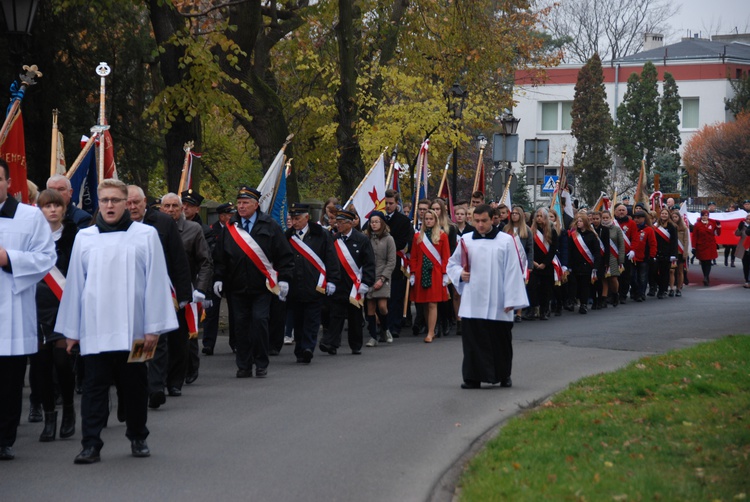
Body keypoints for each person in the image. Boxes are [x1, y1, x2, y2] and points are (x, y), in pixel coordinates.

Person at [56, 179, 178, 464]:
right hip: (95, 330)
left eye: (115, 200)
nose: (109, 205)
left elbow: (157, 282)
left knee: (134, 386)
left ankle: (138, 436)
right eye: (105, 200)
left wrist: (153, 327)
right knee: (94, 389)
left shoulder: (145, 235)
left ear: (127, 204)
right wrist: (71, 332)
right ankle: (91, 444)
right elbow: (75, 285)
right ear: (99, 204)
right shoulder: (85, 238)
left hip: (135, 330)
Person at [0, 160, 56, 460]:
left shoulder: (29, 217)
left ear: (9, 183)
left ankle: (4, 439)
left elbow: (46, 257)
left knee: (8, 382)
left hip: (11, 311)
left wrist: (9, 258)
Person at [213, 186, 294, 377]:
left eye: (245, 203)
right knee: (240, 326)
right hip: (237, 287)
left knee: (259, 322)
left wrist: (284, 280)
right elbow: (220, 257)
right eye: (239, 203)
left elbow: (284, 255)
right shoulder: (230, 227)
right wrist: (218, 278)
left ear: (256, 205)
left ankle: (261, 362)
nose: (241, 207)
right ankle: (244, 365)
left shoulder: (270, 225)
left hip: (262, 287)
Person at [446, 204, 528, 389]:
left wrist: (512, 300)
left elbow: (513, 271)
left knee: (500, 341)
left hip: (498, 300)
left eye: (484, 220)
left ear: (493, 219)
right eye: (476, 221)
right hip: (473, 300)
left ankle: (503, 375)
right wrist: (460, 273)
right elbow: (452, 264)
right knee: (472, 341)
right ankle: (472, 377)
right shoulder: (466, 240)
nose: (480, 225)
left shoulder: (506, 241)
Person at [126, 185, 192, 410]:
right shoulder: (115, 225)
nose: (133, 207)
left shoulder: (163, 223)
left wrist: (184, 295)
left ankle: (155, 387)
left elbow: (178, 258)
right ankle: (139, 384)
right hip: (129, 293)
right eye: (129, 202)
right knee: (137, 340)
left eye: (137, 202)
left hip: (160, 289)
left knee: (159, 340)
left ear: (145, 202)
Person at [31, 189, 79, 442]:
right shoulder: (31, 238)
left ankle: (69, 410)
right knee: (40, 366)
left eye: (56, 206)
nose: (52, 210)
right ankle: (49, 417)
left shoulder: (74, 236)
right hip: (36, 306)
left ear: (63, 209)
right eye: (46, 206)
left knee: (62, 362)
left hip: (64, 305)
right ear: (39, 210)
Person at [160, 193, 213, 392]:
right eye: (167, 206)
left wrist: (201, 288)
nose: (171, 209)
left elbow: (205, 262)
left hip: (183, 291)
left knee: (181, 338)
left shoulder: (193, 229)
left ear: (181, 209)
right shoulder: (151, 229)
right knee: (159, 337)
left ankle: (175, 381)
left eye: (175, 206)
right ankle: (159, 379)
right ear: (161, 208)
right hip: (159, 290)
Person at [284, 203, 340, 363]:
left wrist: (333, 280)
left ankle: (308, 347)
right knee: (298, 319)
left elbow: (331, 258)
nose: (294, 222)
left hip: (315, 285)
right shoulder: (287, 236)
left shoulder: (321, 235)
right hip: (295, 286)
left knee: (312, 319)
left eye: (297, 219)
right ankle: (300, 348)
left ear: (306, 218)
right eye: (292, 219)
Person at [319, 209, 375, 355]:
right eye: (337, 222)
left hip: (354, 285)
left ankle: (355, 345)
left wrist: (366, 282)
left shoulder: (361, 240)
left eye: (341, 222)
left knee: (355, 316)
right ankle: (331, 343)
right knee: (335, 314)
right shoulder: (334, 239)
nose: (338, 225)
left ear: (350, 224)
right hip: (338, 282)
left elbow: (369, 263)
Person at [409, 209, 450, 343]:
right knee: (425, 304)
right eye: (426, 219)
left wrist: (445, 274)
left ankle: (431, 332)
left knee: (433, 303)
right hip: (421, 273)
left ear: (435, 220)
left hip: (436, 273)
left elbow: (446, 257)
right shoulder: (417, 237)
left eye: (431, 219)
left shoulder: (442, 236)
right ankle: (429, 328)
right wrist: (413, 273)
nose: (428, 221)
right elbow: (414, 257)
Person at [202, 202, 237, 355]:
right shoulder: (211, 231)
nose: (232, 217)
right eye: (229, 214)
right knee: (212, 312)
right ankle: (209, 343)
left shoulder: (238, 230)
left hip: (233, 276)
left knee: (235, 312)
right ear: (222, 216)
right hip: (215, 275)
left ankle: (235, 343)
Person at [381, 190, 414, 338]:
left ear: (397, 204)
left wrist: (387, 245)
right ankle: (383, 325)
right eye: (386, 203)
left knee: (395, 295)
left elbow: (403, 242)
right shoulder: (378, 219)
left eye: (391, 203)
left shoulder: (403, 221)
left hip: (395, 261)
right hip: (380, 262)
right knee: (382, 296)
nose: (388, 206)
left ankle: (395, 325)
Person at [364, 211, 396, 347]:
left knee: (382, 306)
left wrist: (382, 279)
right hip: (369, 275)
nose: (374, 224)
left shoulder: (389, 239)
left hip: (383, 276)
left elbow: (391, 261)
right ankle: (372, 336)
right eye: (372, 222)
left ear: (382, 223)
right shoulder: (366, 238)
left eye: (377, 221)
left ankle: (385, 328)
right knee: (370, 306)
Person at [431, 198, 457, 336]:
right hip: (432, 266)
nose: (435, 212)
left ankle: (446, 320)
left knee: (446, 296)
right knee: (434, 296)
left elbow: (453, 249)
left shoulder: (451, 228)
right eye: (433, 209)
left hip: (446, 265)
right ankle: (435, 323)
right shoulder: (427, 227)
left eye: (437, 209)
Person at [568, 213, 601, 314]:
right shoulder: (573, 235)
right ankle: (572, 301)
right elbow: (569, 250)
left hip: (586, 265)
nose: (578, 223)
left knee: (584, 285)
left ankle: (584, 304)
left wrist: (595, 266)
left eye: (581, 221)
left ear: (585, 222)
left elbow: (596, 252)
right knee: (573, 284)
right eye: (577, 221)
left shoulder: (592, 235)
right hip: (574, 264)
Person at [529, 208, 557, 320]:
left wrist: (545, 263)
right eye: (537, 216)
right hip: (534, 264)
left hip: (547, 265)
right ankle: (534, 309)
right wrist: (534, 263)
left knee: (545, 289)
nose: (539, 218)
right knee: (532, 287)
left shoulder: (552, 231)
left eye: (541, 216)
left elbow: (553, 249)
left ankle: (544, 310)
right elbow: (529, 248)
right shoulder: (531, 231)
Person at [506, 206, 533, 320]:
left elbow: (530, 248)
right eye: (513, 213)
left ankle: (519, 313)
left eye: (517, 213)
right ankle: (510, 310)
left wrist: (530, 265)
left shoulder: (526, 230)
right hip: (509, 262)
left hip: (521, 262)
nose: (514, 215)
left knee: (520, 286)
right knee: (509, 286)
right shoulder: (506, 229)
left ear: (521, 215)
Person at [631, 206, 657, 301]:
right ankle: (635, 291)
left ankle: (641, 293)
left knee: (642, 277)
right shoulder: (632, 228)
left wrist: (651, 256)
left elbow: (653, 244)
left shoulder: (649, 230)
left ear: (643, 219)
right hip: (633, 257)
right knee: (632, 276)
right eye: (635, 218)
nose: (636, 220)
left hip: (644, 258)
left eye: (639, 218)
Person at [600, 210, 625, 306]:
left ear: (611, 218)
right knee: (604, 278)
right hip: (603, 256)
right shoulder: (600, 229)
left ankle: (615, 294)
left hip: (613, 257)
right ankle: (604, 298)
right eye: (603, 218)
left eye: (607, 218)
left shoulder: (616, 229)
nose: (605, 220)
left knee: (613, 278)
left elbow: (621, 245)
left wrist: (621, 259)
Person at [653, 207, 678, 299]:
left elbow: (674, 241)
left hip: (667, 253)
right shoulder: (655, 225)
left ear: (668, 215)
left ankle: (662, 290)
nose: (664, 215)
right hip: (656, 252)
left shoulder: (672, 226)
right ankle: (661, 286)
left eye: (665, 214)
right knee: (654, 271)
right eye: (662, 213)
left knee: (664, 273)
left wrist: (673, 255)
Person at [614, 203, 637, 303]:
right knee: (614, 276)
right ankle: (614, 294)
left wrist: (633, 250)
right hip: (614, 253)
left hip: (626, 254)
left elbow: (635, 238)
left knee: (625, 276)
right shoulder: (612, 223)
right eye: (619, 210)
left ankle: (623, 295)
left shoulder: (631, 223)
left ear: (627, 212)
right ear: (615, 212)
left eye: (623, 210)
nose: (621, 212)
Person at [693, 209, 721, 286]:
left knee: (708, 261)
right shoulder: (697, 225)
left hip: (710, 245)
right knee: (703, 262)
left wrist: (718, 226)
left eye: (706, 215)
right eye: (703, 215)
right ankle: (705, 275)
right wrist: (693, 247)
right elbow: (695, 236)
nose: (705, 217)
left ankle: (706, 277)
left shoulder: (712, 223)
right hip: (701, 245)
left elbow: (717, 233)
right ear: (701, 216)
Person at [589, 211, 609, 310]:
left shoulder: (605, 230)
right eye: (593, 219)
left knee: (599, 280)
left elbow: (607, 246)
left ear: (600, 219)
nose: (595, 221)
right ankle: (594, 300)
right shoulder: (590, 229)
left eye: (597, 219)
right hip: (590, 257)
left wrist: (606, 261)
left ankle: (601, 299)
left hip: (601, 259)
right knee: (592, 281)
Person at [669, 209, 689, 296]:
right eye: (673, 217)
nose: (674, 219)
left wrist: (685, 253)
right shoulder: (669, 227)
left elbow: (686, 241)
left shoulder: (684, 228)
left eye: (676, 217)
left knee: (680, 271)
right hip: (672, 253)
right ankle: (671, 288)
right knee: (672, 270)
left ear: (679, 218)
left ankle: (679, 288)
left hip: (680, 253)